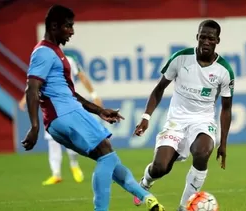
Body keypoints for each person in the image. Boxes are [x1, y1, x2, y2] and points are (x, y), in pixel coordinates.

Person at [21, 5, 165, 211]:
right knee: (107, 155)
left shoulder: (55, 52)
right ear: (54, 26)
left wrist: (99, 110)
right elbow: (31, 88)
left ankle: (148, 198)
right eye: (68, 26)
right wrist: (34, 126)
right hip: (67, 115)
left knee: (108, 160)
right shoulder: (43, 52)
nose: (71, 31)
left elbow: (69, 93)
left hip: (61, 117)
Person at [132, 20, 234, 211]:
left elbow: (226, 108)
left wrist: (224, 143)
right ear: (197, 37)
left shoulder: (224, 70)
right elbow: (158, 89)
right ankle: (146, 182)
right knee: (160, 168)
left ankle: (185, 206)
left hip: (203, 121)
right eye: (202, 37)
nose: (205, 41)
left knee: (203, 152)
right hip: (176, 121)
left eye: (210, 38)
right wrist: (146, 117)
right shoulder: (180, 58)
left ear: (217, 41)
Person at [18, 54, 103, 186]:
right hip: (50, 106)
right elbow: (35, 83)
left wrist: (94, 94)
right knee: (52, 141)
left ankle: (74, 165)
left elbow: (82, 76)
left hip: (67, 104)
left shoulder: (69, 60)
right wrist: (25, 98)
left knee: (70, 137)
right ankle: (56, 174)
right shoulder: (43, 62)